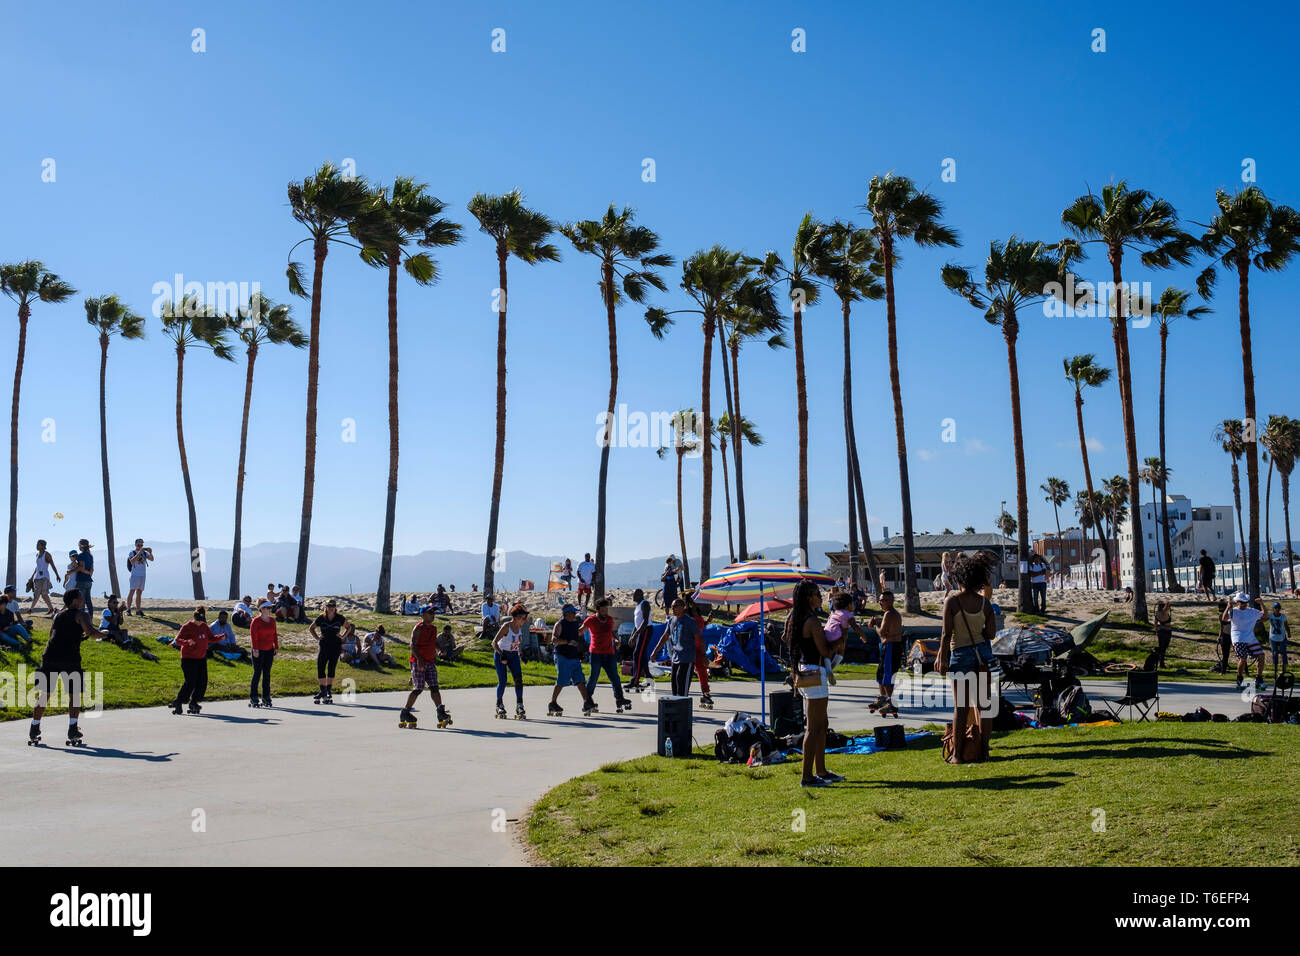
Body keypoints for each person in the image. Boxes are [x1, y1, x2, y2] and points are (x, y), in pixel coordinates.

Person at [937, 552, 996, 764]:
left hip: (960, 654)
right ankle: (985, 751)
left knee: (960, 708)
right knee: (984, 706)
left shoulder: (952, 602)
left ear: (960, 578)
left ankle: (958, 755)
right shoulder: (984, 604)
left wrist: (941, 658)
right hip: (981, 656)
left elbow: (945, 633)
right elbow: (991, 634)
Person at [783, 580, 841, 787]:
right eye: (817, 594)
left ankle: (822, 771)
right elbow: (825, 651)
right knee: (814, 728)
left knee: (821, 724)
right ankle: (807, 777)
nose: (820, 597)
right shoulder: (812, 621)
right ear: (808, 597)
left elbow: (785, 638)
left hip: (805, 671)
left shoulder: (795, 618)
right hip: (815, 674)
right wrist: (840, 640)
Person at [29, 590, 101, 747]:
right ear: (75, 601)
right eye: (81, 597)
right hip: (69, 659)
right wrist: (108, 635)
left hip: (50, 656)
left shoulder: (59, 615)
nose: (83, 599)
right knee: (74, 695)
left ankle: (34, 728)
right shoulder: (82, 615)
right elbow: (92, 633)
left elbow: (51, 635)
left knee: (45, 694)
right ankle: (73, 729)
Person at [400, 606, 451, 728]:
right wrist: (420, 660)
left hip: (430, 661)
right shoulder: (418, 628)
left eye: (433, 613)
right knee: (419, 688)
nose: (433, 615)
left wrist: (440, 649)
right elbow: (412, 645)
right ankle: (405, 712)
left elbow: (434, 642)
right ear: (422, 615)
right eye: (430, 613)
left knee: (434, 687)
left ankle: (440, 711)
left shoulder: (433, 628)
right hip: (418, 662)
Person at [581, 598, 631, 713]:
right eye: (603, 610)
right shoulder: (591, 620)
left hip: (609, 653)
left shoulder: (609, 619)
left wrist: (616, 639)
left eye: (606, 610)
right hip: (596, 653)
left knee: (615, 677)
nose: (605, 612)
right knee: (593, 677)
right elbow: (580, 631)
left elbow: (610, 632)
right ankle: (587, 701)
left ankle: (619, 698)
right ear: (597, 610)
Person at [169, 607, 218, 715]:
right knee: (190, 682)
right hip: (188, 658)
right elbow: (177, 640)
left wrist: (221, 637)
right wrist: (187, 642)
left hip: (201, 658)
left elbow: (211, 638)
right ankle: (179, 701)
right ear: (195, 617)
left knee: (202, 682)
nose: (200, 623)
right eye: (199, 620)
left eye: (202, 621)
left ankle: (194, 702)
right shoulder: (187, 627)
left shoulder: (204, 626)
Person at [547, 604, 594, 716]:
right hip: (562, 655)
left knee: (580, 680)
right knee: (562, 680)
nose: (575, 614)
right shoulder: (559, 624)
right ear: (566, 613)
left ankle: (586, 702)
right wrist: (567, 642)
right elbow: (554, 640)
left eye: (575, 612)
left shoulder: (575, 624)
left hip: (574, 656)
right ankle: (553, 703)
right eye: (573, 612)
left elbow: (577, 634)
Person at [649, 597, 700, 698]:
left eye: (675, 606)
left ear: (683, 607)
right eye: (672, 607)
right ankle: (676, 709)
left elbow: (699, 639)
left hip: (687, 658)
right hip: (675, 658)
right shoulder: (672, 620)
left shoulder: (690, 622)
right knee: (675, 685)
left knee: (682, 686)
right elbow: (665, 637)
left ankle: (683, 707)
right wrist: (654, 651)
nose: (672, 609)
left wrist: (702, 655)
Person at [309, 600, 354, 703]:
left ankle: (328, 690)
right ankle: (322, 690)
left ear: (335, 607)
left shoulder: (339, 618)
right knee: (321, 667)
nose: (331, 608)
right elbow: (311, 628)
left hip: (335, 646)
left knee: (331, 668)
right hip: (324, 646)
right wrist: (317, 638)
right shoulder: (321, 617)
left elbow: (348, 627)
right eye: (329, 606)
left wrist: (343, 636)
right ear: (326, 607)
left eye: (333, 606)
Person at [1221, 591, 1266, 691]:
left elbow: (1265, 616)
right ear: (1238, 603)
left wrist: (1262, 604)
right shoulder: (1234, 611)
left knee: (1261, 655)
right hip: (1238, 638)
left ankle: (1259, 679)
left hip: (1250, 638)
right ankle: (1239, 679)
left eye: (1246, 602)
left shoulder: (1251, 611)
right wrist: (1228, 607)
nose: (1244, 604)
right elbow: (1224, 618)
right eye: (1242, 602)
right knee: (1243, 658)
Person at [491, 604, 529, 718]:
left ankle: (519, 705)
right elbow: (493, 643)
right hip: (502, 655)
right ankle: (499, 705)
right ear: (516, 617)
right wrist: (501, 654)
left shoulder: (519, 627)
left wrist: (522, 654)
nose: (524, 620)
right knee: (503, 680)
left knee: (518, 680)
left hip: (514, 656)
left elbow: (517, 643)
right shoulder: (506, 627)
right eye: (523, 617)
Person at [870, 590, 903, 716]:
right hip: (888, 647)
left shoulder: (889, 614)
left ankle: (892, 704)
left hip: (891, 647)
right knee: (880, 675)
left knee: (887, 678)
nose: (881, 602)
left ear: (891, 601)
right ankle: (882, 698)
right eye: (880, 600)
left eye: (884, 600)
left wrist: (873, 627)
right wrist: (879, 624)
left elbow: (883, 633)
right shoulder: (891, 614)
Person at [822, 590, 863, 686]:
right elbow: (855, 626)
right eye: (852, 603)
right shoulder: (848, 614)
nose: (854, 605)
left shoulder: (834, 612)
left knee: (827, 653)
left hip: (827, 633)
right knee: (840, 652)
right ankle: (831, 669)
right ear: (848, 605)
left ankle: (828, 670)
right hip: (838, 635)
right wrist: (863, 635)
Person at [682, 594, 715, 708]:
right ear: (691, 602)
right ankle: (683, 695)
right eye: (697, 600)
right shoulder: (686, 613)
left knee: (702, 671)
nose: (700, 601)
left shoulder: (697, 613)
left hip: (699, 647)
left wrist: (708, 621)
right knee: (688, 673)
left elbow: (700, 627)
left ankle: (706, 694)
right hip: (689, 647)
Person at [625, 588, 656, 692]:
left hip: (646, 630)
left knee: (637, 654)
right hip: (641, 630)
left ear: (640, 595)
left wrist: (636, 635)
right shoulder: (638, 606)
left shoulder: (644, 604)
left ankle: (635, 680)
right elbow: (637, 624)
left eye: (634, 594)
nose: (633, 596)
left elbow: (645, 621)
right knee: (641, 655)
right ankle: (649, 679)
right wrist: (632, 635)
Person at [249, 601, 278, 707]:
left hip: (269, 650)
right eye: (267, 608)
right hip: (258, 651)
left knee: (267, 674)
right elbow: (253, 637)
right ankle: (254, 697)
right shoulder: (256, 621)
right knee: (257, 673)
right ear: (261, 609)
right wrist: (255, 649)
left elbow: (274, 634)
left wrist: (276, 647)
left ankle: (266, 696)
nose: (269, 610)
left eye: (270, 608)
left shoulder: (272, 621)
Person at [27, 539, 60, 615]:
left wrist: (57, 575)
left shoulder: (47, 554)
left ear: (42, 546)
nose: (36, 546)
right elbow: (37, 567)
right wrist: (32, 576)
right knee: (37, 594)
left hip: (45, 576)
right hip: (37, 578)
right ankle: (33, 609)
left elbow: (52, 565)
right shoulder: (37, 555)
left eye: (38, 544)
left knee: (44, 593)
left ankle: (32, 609)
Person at [125, 539, 152, 615]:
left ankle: (138, 610)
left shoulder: (144, 553)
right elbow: (132, 561)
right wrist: (140, 552)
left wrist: (150, 552)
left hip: (142, 575)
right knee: (132, 591)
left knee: (139, 593)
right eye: (139, 545)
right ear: (135, 545)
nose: (140, 546)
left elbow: (152, 559)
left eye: (141, 545)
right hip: (135, 575)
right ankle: (128, 609)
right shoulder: (132, 552)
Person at [1267, 601, 1290, 675]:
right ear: (1273, 608)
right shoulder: (1270, 615)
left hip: (1282, 638)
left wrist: (1289, 633)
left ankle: (1284, 669)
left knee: (1283, 654)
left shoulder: (1283, 616)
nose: (1277, 609)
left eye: (1278, 608)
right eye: (1275, 608)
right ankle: (1275, 669)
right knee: (1274, 653)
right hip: (1272, 638)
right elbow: (1263, 618)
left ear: (1280, 608)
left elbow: (1286, 625)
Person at [1153, 599, 1173, 668]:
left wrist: (1156, 632)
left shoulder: (1157, 613)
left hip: (1160, 631)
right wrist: (1164, 601)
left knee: (1161, 648)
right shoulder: (1164, 612)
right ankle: (1161, 664)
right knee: (1163, 649)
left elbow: (1155, 624)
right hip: (1167, 632)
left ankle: (1159, 663)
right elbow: (1168, 603)